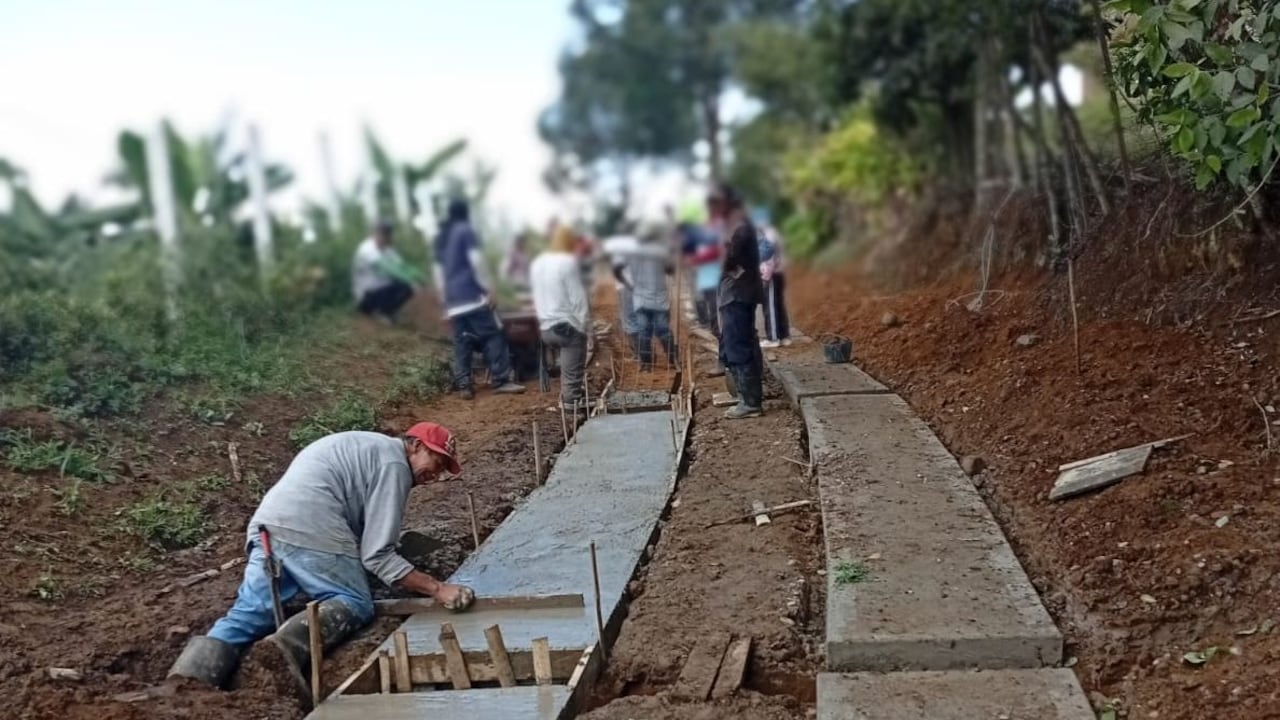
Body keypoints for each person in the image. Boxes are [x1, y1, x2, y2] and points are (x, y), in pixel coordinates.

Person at [168, 423, 475, 694]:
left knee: (249, 613)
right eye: (436, 462)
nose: (433, 475)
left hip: (270, 524)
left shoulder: (370, 447)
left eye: (442, 471)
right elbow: (377, 555)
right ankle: (282, 649)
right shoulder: (394, 464)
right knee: (355, 601)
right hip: (312, 524)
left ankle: (186, 684)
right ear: (416, 446)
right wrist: (437, 589)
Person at [434, 198, 526, 399]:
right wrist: (489, 288)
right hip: (471, 296)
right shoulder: (465, 230)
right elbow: (477, 262)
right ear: (466, 213)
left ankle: (465, 385)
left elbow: (439, 272)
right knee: (494, 333)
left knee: (462, 342)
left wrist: (444, 301)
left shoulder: (443, 237)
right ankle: (501, 380)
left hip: (453, 301)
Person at [531, 226, 591, 412]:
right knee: (575, 344)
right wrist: (584, 326)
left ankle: (569, 392)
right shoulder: (567, 262)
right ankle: (571, 402)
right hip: (565, 327)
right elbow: (578, 298)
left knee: (568, 352)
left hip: (545, 328)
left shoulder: (538, 263)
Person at [719, 222, 765, 419]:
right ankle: (747, 398)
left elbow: (732, 261)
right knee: (742, 342)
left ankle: (750, 402)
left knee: (738, 345)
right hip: (740, 293)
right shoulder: (742, 228)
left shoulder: (740, 231)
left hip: (737, 294)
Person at [626, 228, 679, 371]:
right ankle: (672, 361)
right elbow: (670, 269)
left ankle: (647, 364)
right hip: (657, 298)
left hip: (641, 298)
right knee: (663, 330)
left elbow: (624, 272)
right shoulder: (659, 251)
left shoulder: (633, 253)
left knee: (644, 331)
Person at [351, 220, 425, 322]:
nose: (386, 236)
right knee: (404, 283)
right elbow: (388, 268)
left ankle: (388, 312)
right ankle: (381, 312)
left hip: (381, 291)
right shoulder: (367, 249)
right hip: (366, 296)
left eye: (388, 233)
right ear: (375, 233)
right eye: (383, 233)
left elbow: (402, 266)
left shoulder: (388, 249)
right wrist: (409, 278)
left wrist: (417, 274)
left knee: (409, 287)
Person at [753, 208, 792, 348]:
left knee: (770, 305)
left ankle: (773, 338)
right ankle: (784, 336)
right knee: (779, 305)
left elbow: (766, 255)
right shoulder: (773, 232)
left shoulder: (767, 235)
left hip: (771, 274)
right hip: (779, 272)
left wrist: (763, 275)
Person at [602, 234, 644, 358]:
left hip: (627, 287)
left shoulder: (618, 247)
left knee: (629, 320)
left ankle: (640, 355)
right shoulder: (636, 245)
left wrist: (626, 283)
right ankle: (644, 353)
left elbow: (616, 267)